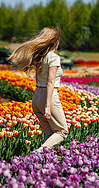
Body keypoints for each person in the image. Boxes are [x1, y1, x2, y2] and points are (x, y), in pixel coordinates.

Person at [9, 26, 68, 155]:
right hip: (49, 97)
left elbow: (39, 79)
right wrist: (47, 106)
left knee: (50, 133)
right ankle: (38, 153)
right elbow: (50, 81)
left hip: (36, 97)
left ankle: (39, 162)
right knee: (62, 131)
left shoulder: (39, 57)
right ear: (55, 41)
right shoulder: (53, 57)